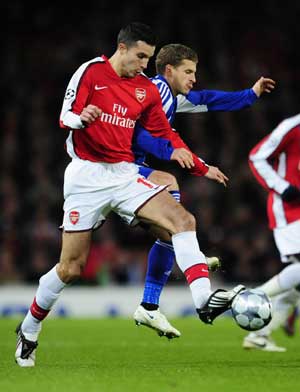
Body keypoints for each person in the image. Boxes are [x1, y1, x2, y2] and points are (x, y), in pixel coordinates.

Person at [15, 22, 245, 367]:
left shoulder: (146, 90)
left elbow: (165, 132)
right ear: (121, 48)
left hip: (124, 174)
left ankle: (203, 300)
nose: (144, 65)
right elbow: (65, 114)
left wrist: (195, 162)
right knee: (71, 268)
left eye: (149, 58)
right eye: (140, 56)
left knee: (183, 219)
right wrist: (82, 118)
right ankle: (30, 327)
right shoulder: (91, 72)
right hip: (86, 176)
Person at [130, 43, 275, 338]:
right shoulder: (151, 91)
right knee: (175, 211)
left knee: (174, 220)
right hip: (113, 170)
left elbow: (209, 99)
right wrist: (180, 156)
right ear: (169, 70)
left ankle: (152, 301)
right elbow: (135, 132)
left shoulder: (170, 96)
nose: (194, 78)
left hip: (130, 168)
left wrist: (250, 95)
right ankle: (191, 262)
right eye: (188, 71)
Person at [242, 112, 300, 352]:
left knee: (297, 282)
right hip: (289, 210)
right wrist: (282, 186)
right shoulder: (293, 126)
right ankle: (250, 297)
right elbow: (257, 156)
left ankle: (259, 333)